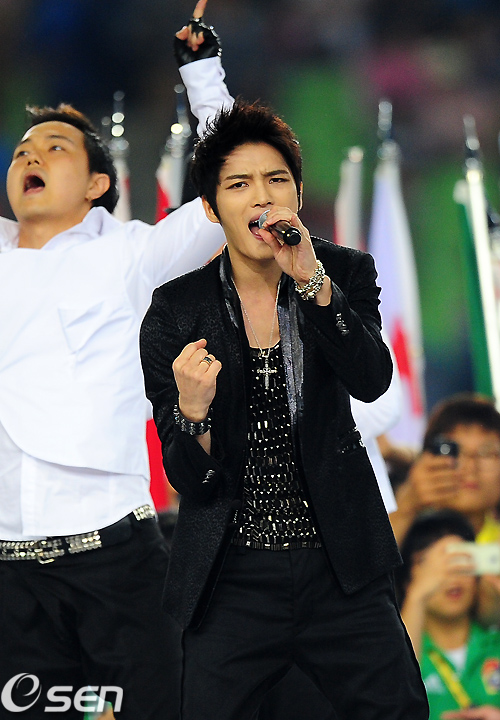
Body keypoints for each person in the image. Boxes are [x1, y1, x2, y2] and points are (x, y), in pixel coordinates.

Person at [140, 99, 428, 720]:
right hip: (231, 573)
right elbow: (188, 478)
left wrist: (312, 283)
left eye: (276, 180)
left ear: (297, 192)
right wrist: (193, 412)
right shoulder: (175, 309)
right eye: (239, 184)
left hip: (340, 562)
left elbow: (372, 381)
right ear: (212, 208)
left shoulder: (343, 271)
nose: (262, 197)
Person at [0, 2, 232, 718]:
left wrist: (204, 77)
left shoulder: (132, 254)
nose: (30, 157)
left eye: (54, 148)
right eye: (22, 151)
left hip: (115, 562)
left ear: (99, 185)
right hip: (7, 577)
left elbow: (233, 189)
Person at [390, 393, 500, 624]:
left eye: (486, 452)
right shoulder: (400, 524)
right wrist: (406, 506)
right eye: (455, 451)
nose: (471, 466)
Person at [397, 510, 500, 720]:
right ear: (407, 578)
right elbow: (390, 695)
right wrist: (417, 597)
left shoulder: (495, 640)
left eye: (460, 560)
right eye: (432, 564)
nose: (451, 576)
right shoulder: (402, 649)